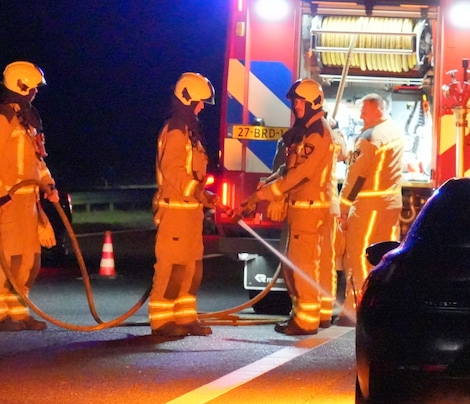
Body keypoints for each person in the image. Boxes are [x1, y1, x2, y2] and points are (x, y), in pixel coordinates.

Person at [240, 79, 336, 336]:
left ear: (313, 102)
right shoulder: (306, 132)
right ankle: (306, 316)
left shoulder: (318, 134)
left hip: (308, 209)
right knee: (296, 265)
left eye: (299, 101)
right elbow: (287, 169)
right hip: (301, 208)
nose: (295, 106)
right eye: (294, 102)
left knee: (302, 267)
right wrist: (258, 193)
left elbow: (300, 175)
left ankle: (305, 321)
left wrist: (269, 195)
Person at [0, 61, 58, 332]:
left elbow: (38, 160)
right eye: (33, 87)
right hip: (7, 202)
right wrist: (1, 197)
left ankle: (17, 309)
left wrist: (48, 184)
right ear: (21, 85)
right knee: (7, 258)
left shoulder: (27, 120)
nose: (36, 92)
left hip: (28, 202)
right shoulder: (2, 118)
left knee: (29, 260)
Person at [149, 72, 217, 338]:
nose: (201, 108)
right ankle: (162, 320)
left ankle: (185, 316)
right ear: (187, 99)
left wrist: (202, 193)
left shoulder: (190, 132)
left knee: (192, 266)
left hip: (190, 211)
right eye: (199, 102)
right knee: (173, 266)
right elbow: (173, 170)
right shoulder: (176, 130)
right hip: (175, 209)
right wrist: (198, 191)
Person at [337, 93, 405, 325]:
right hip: (391, 204)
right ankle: (383, 306)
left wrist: (343, 206)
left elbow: (357, 175)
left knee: (358, 254)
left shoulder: (370, 136)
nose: (361, 116)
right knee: (386, 255)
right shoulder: (395, 130)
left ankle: (355, 308)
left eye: (364, 112)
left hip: (368, 207)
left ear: (377, 110)